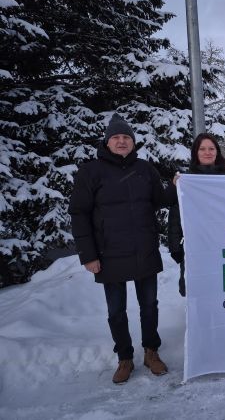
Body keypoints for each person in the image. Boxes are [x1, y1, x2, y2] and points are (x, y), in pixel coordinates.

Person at [69, 113, 168, 384]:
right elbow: (79, 213)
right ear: (107, 142)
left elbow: (161, 200)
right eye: (116, 137)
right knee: (116, 311)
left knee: (149, 306)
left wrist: (179, 186)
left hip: (144, 249)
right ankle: (125, 357)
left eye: (126, 137)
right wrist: (88, 255)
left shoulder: (146, 169)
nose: (122, 141)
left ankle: (151, 351)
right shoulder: (91, 172)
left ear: (133, 142)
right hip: (109, 253)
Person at [168, 133, 225, 297]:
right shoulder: (185, 180)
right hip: (195, 249)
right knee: (198, 294)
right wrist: (175, 247)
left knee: (221, 293)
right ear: (196, 152)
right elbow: (176, 214)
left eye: (211, 148)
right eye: (202, 149)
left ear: (217, 152)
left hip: (223, 248)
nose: (207, 152)